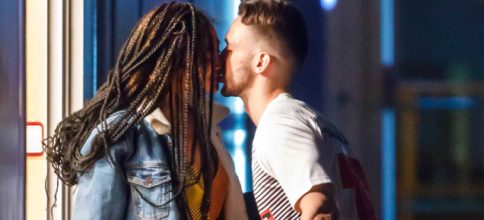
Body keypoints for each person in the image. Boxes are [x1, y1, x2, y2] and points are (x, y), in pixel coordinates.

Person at [43, 2, 247, 220]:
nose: (219, 62)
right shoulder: (121, 134)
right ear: (174, 58)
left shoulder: (209, 131)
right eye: (208, 53)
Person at [221, 0, 376, 219]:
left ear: (261, 62)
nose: (220, 58)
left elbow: (320, 210)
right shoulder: (311, 121)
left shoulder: (280, 125)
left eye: (229, 48)